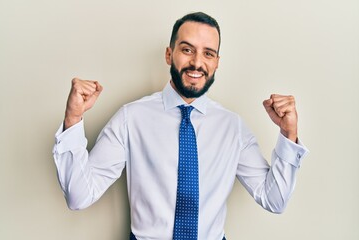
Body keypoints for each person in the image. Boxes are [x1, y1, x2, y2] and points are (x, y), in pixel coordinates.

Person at [53, 12, 308, 240]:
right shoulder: (132, 118)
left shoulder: (233, 127)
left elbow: (275, 200)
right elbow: (79, 196)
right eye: (187, 50)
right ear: (169, 54)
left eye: (208, 53)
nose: (197, 62)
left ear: (217, 62)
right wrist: (73, 119)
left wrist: (288, 134)